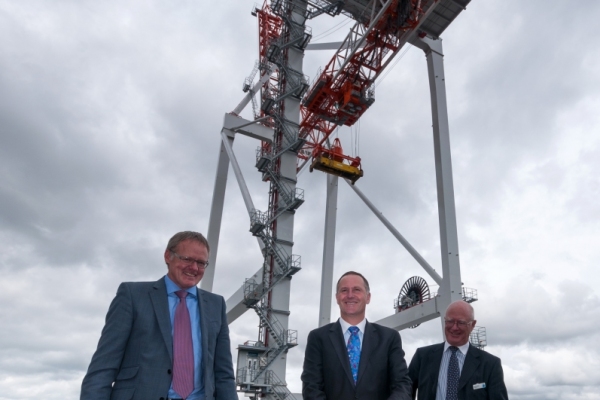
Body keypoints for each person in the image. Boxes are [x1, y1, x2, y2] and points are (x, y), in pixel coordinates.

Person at [81, 231, 237, 400]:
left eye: (201, 263)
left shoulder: (216, 305)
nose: (194, 268)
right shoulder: (132, 296)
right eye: (187, 259)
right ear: (168, 256)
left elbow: (224, 374)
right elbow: (103, 367)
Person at [301, 271, 412, 400]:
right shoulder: (318, 338)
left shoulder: (389, 338)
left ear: (368, 297)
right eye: (344, 290)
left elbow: (402, 384)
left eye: (356, 290)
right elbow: (311, 387)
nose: (350, 295)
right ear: (337, 297)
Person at [408, 300, 509, 400]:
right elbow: (405, 392)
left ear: (472, 325)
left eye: (461, 322)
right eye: (450, 321)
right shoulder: (422, 357)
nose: (454, 327)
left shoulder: (490, 364)